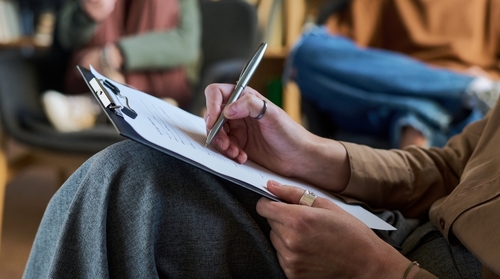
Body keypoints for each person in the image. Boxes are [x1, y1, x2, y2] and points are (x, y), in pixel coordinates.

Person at [24, 81, 500, 278]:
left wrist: (376, 271)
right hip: (419, 230)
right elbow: (453, 168)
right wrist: (310, 154)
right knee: (128, 177)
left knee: (126, 187)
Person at [287, 0, 500, 149]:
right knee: (307, 50)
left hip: (463, 112)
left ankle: (459, 95)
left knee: (416, 112)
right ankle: (466, 88)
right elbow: (330, 50)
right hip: (393, 94)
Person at [42, 0, 201, 132]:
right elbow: (65, 40)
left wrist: (114, 53)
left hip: (159, 86)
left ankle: (101, 108)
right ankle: (131, 111)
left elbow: (186, 45)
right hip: (92, 78)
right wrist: (86, 16)